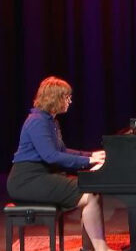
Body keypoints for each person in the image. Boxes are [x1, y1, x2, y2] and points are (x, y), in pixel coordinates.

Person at [7, 76, 115, 251]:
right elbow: (51, 156)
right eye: (66, 97)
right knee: (90, 192)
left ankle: (89, 248)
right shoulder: (37, 121)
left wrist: (91, 155)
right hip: (27, 180)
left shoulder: (50, 121)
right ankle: (100, 248)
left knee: (93, 189)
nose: (70, 101)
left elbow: (62, 151)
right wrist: (87, 161)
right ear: (54, 99)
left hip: (41, 176)